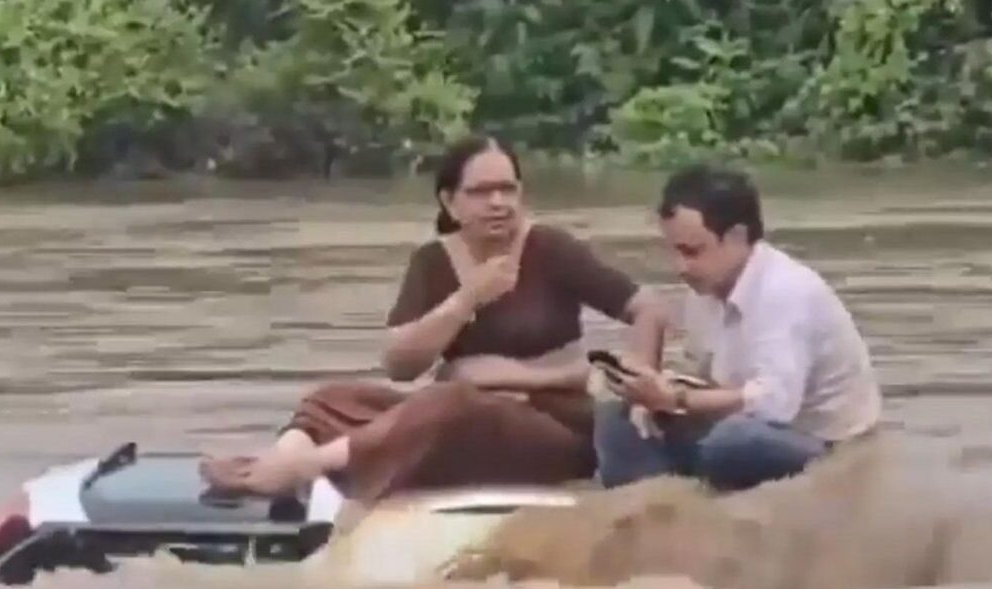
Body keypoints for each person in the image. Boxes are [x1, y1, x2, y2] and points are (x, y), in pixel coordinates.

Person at [199, 134, 668, 510]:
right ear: (450, 202)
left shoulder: (552, 249)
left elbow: (648, 308)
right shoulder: (432, 262)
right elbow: (400, 366)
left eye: (508, 189)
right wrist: (466, 299)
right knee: (335, 397)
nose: (499, 202)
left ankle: (308, 467)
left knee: (450, 404)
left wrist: (639, 397)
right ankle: (274, 465)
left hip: (551, 428)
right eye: (482, 192)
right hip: (455, 413)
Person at [593, 164, 881, 491]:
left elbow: (773, 405)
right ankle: (654, 510)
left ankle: (690, 497)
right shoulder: (705, 291)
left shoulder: (783, 292)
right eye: (674, 251)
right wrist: (650, 391)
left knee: (732, 442)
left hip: (824, 447)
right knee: (616, 416)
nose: (680, 267)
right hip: (739, 430)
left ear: (737, 237)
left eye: (692, 251)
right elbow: (702, 375)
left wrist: (676, 398)